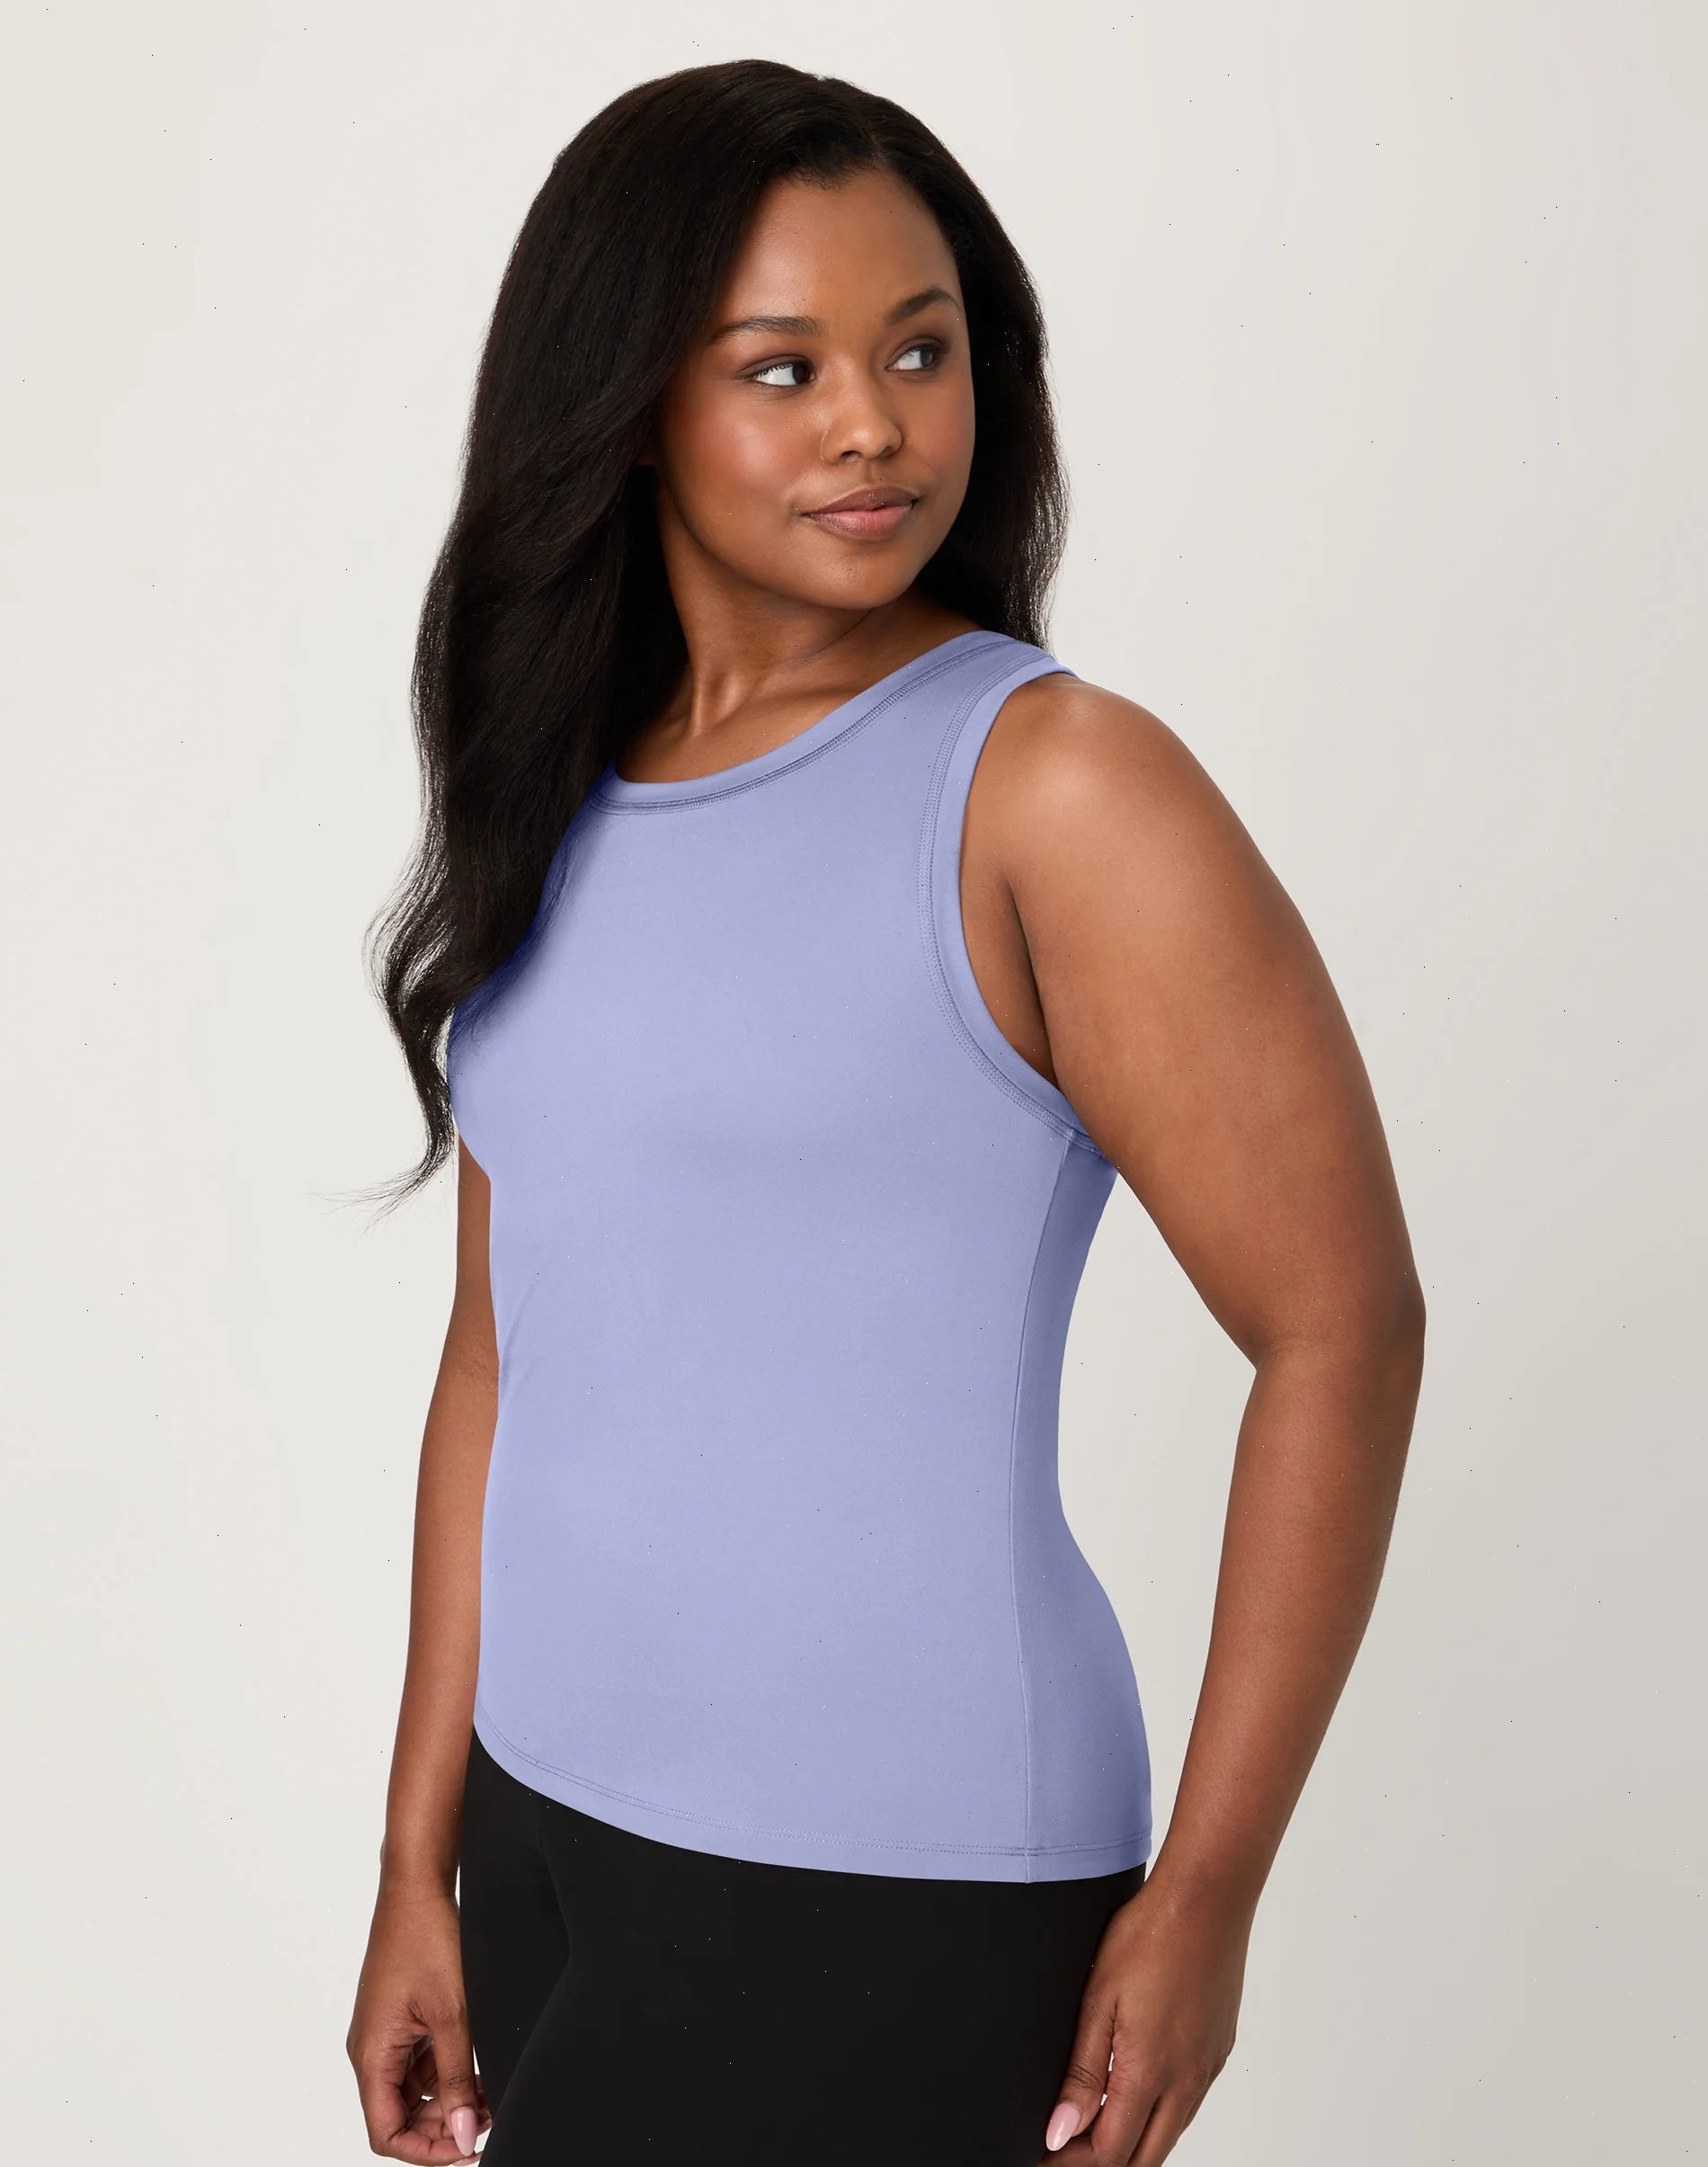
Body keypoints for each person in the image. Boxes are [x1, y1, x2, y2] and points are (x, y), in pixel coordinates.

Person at [344, 58, 1426, 2167]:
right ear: (626, 401)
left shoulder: (1051, 785)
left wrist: (1206, 1888)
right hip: (545, 1830)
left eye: (919, 351)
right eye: (785, 367)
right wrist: (417, 1852)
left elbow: (1340, 1323)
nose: (874, 423)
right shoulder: (558, 784)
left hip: (888, 1877)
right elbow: (498, 1356)